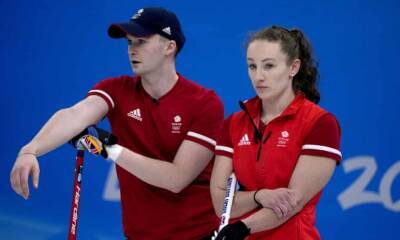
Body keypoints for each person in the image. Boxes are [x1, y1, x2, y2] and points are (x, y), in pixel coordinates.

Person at [10, 7, 223, 239]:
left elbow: (176, 179)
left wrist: (108, 149)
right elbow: (74, 115)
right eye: (129, 42)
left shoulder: (205, 103)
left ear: (169, 47)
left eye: (141, 41)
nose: (132, 49)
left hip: (197, 235)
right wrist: (30, 150)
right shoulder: (117, 89)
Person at [210, 26, 341, 239]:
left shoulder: (321, 123)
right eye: (252, 66)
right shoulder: (233, 124)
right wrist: (259, 196)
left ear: (293, 67)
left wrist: (242, 227)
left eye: (269, 66)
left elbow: (292, 202)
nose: (258, 76)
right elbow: (221, 203)